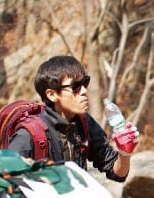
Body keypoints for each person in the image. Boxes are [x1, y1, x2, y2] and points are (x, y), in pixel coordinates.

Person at [8, 55, 138, 179]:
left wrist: (124, 154)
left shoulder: (85, 123)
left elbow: (116, 171)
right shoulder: (28, 136)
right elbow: (7, 185)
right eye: (75, 87)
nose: (84, 91)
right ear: (52, 95)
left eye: (85, 83)